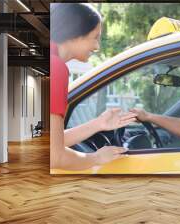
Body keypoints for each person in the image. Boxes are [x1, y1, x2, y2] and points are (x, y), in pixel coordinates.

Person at [50, 3, 136, 170]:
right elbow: (54, 156)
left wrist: (98, 124)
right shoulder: (56, 68)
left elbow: (51, 143)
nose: (97, 46)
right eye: (95, 37)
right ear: (75, 33)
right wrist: (96, 158)